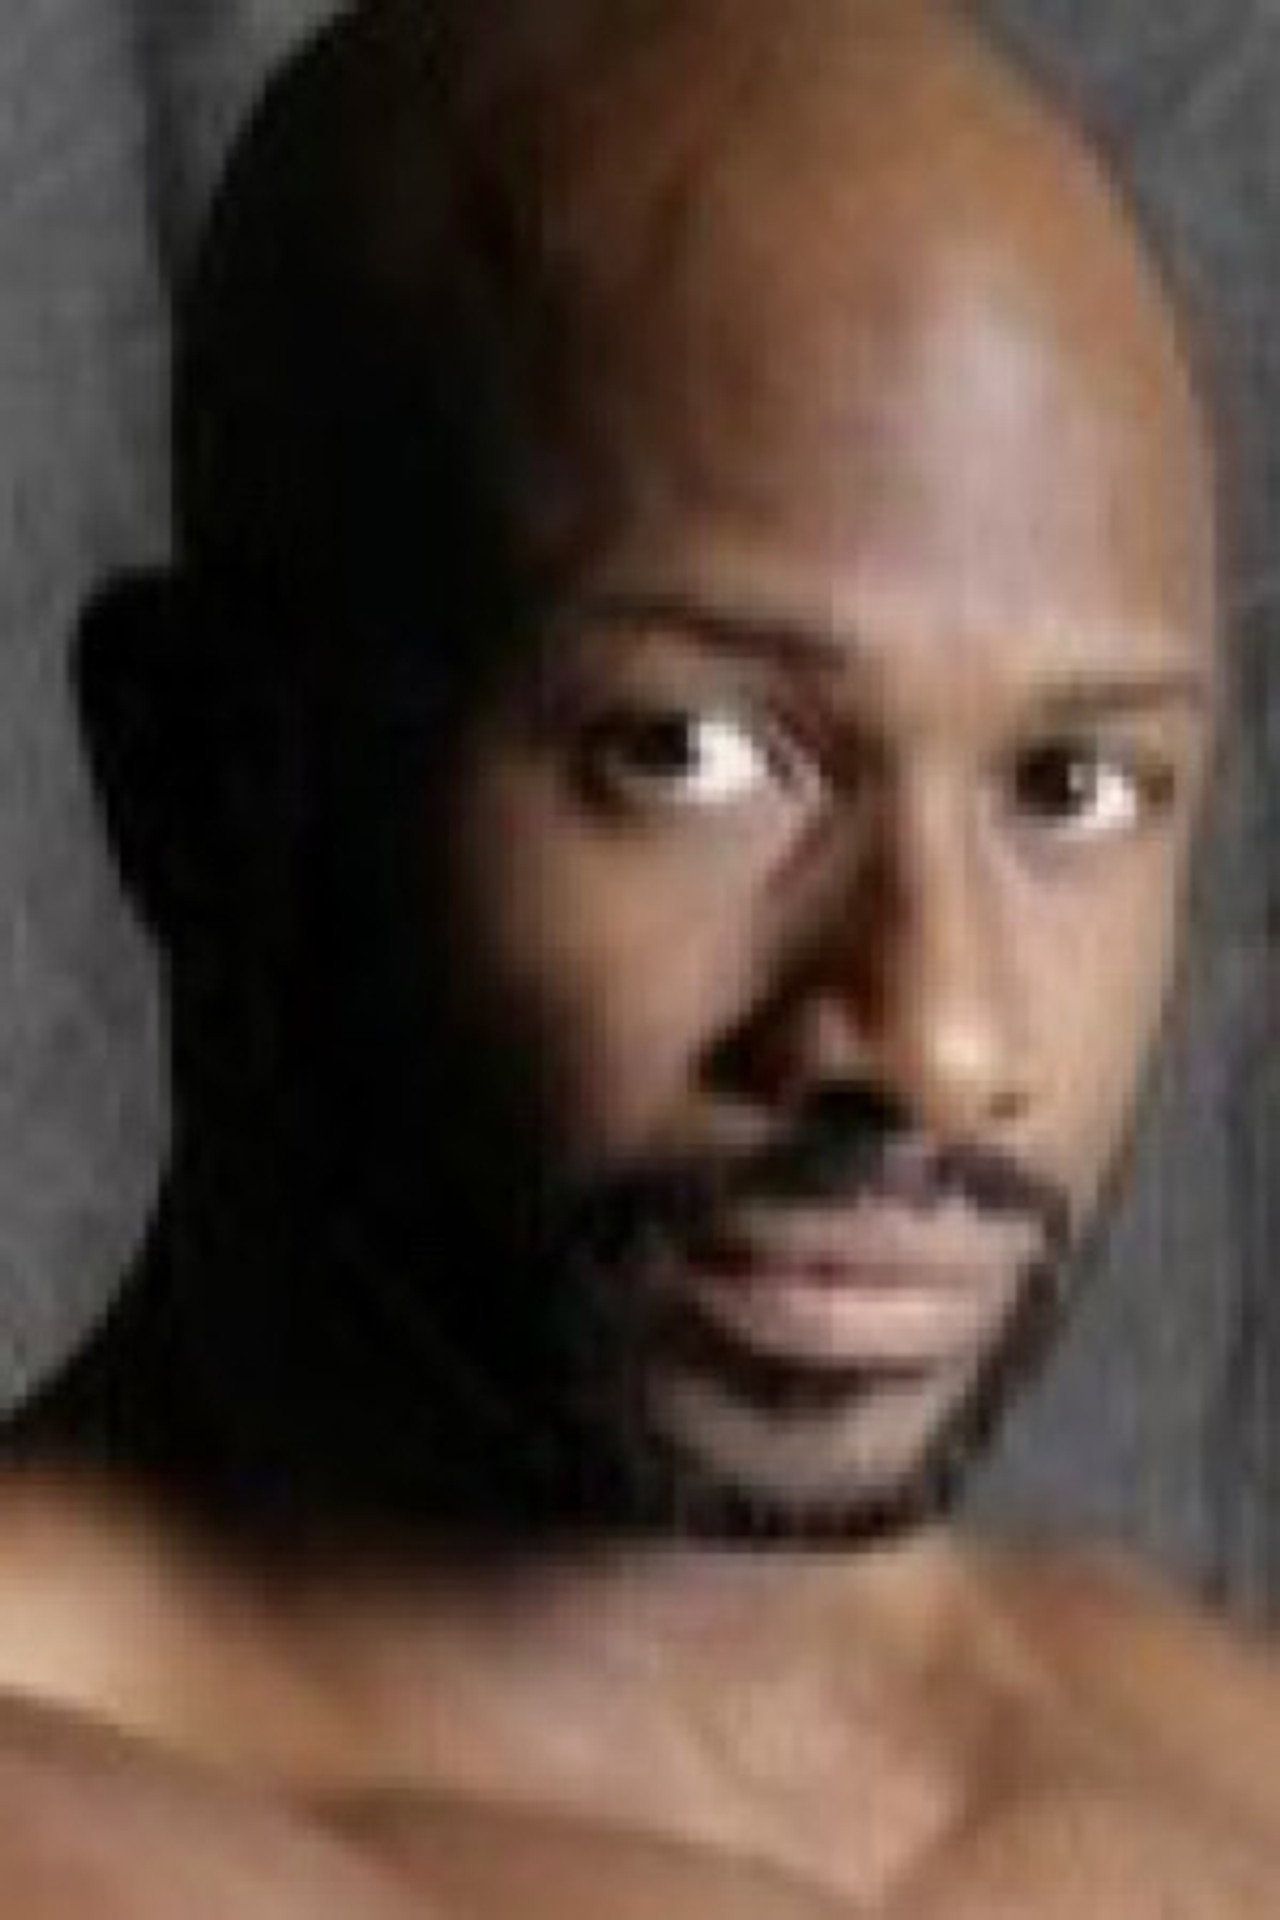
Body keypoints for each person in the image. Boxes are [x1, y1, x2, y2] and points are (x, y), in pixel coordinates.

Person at [0, 0, 1275, 1910]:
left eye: (1071, 786)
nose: (936, 1037)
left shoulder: (1230, 1776)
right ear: (201, 786)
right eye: (687, 755)